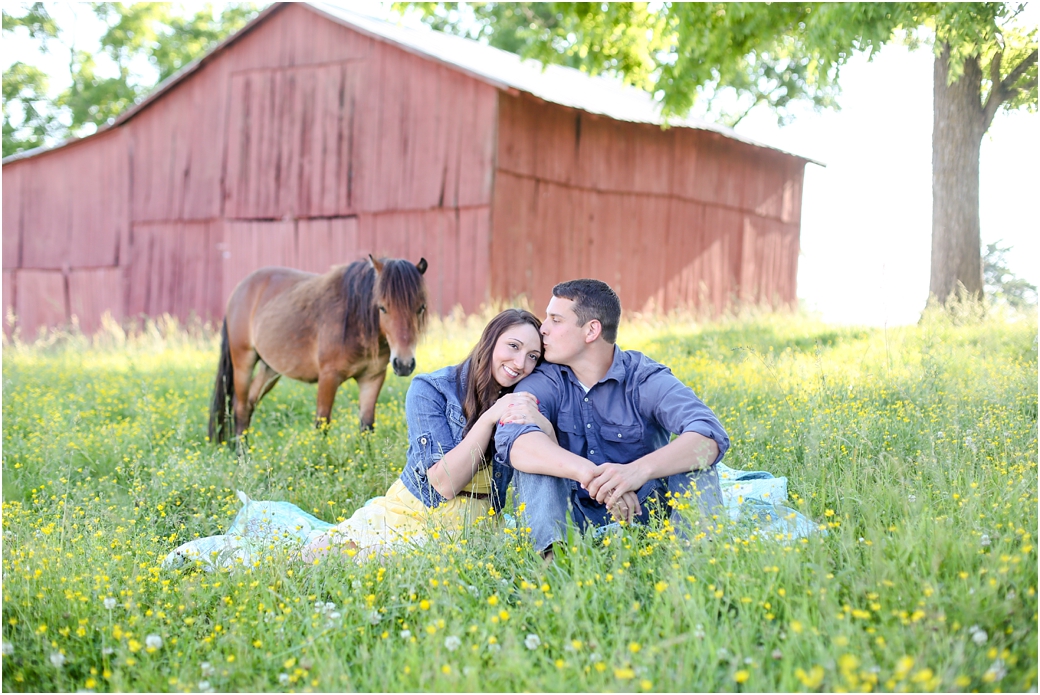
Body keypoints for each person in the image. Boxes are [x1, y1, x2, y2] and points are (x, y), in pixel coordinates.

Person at [494, 280, 729, 557]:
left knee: (696, 463)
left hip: (644, 512)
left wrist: (636, 472)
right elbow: (514, 442)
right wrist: (596, 478)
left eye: (555, 320)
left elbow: (710, 435)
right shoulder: (545, 379)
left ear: (591, 330)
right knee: (535, 464)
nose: (542, 328)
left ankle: (697, 564)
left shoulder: (643, 378)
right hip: (571, 515)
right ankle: (551, 568)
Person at [300, 308, 553, 563]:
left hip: (477, 524)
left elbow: (549, 459)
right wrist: (489, 418)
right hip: (419, 510)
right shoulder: (431, 389)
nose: (521, 364)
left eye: (533, 356)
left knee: (384, 562)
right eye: (513, 346)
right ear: (490, 340)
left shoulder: (524, 398)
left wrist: (540, 420)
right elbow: (444, 483)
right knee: (317, 554)